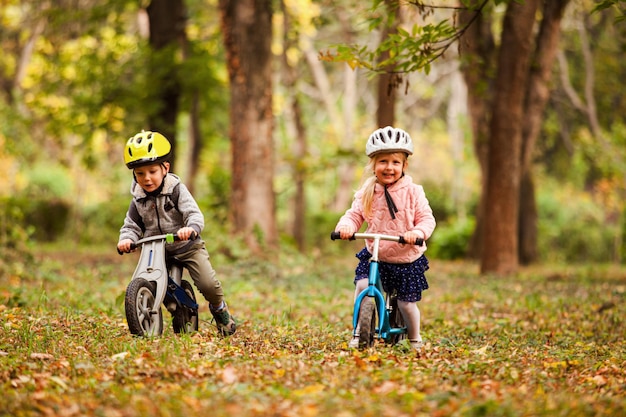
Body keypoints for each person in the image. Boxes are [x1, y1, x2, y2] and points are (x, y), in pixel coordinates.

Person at [117, 130, 236, 337]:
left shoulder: (176, 190)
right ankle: (172, 312)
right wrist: (127, 239)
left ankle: (219, 309)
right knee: (156, 284)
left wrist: (190, 228)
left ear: (165, 168)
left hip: (186, 246)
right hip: (157, 250)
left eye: (152, 171)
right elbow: (131, 226)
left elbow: (193, 213)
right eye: (140, 173)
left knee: (208, 284)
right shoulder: (138, 199)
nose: (146, 179)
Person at [334, 126, 436, 351]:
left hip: (405, 257)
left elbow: (426, 219)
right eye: (383, 162)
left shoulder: (414, 192)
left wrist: (417, 233)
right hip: (376, 254)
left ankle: (415, 338)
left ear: (404, 166)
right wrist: (346, 227)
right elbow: (354, 215)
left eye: (395, 162)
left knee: (406, 304)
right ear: (373, 165)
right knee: (362, 286)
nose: (389, 167)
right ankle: (359, 331)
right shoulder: (366, 192)